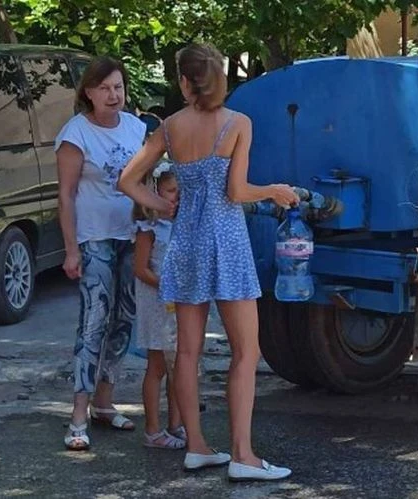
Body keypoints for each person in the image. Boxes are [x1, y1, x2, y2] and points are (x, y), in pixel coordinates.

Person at [118, 43, 299, 481]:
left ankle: (196, 445)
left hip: (186, 244)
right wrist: (272, 190)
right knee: (245, 351)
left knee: (188, 351)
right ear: (220, 79)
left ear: (183, 81)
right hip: (228, 243)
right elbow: (236, 193)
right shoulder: (238, 123)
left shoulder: (171, 127)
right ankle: (243, 455)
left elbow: (128, 180)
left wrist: (162, 208)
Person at [56, 56, 150, 451]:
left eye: (119, 87)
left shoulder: (137, 128)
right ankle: (78, 415)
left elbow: (147, 181)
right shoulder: (75, 134)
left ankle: (105, 402)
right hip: (95, 238)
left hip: (131, 234)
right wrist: (71, 249)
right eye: (105, 88)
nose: (113, 95)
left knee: (125, 321)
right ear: (88, 93)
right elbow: (66, 194)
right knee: (93, 322)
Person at [132, 163, 186, 450]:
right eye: (170, 191)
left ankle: (176, 424)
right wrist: (167, 287)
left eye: (179, 192)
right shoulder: (148, 229)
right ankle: (153, 430)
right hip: (157, 302)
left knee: (180, 363)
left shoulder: (179, 225)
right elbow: (141, 269)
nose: (176, 198)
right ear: (154, 191)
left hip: (178, 301)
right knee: (157, 366)